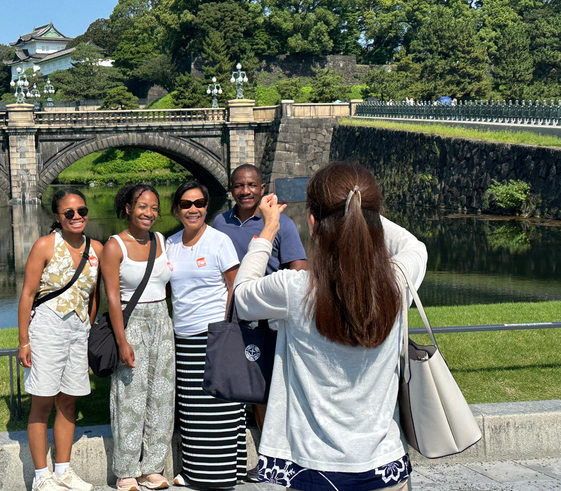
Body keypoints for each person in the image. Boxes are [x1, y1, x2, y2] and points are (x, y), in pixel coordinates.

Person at [233, 161, 427, 491]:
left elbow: (242, 294)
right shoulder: (397, 282)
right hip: (385, 465)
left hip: (314, 467)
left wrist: (267, 229)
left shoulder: (295, 288)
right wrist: (360, 209)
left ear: (312, 221)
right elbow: (414, 247)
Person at [17, 188, 104, 491]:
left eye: (81, 211)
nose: (77, 217)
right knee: (42, 402)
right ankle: (42, 476)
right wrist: (24, 341)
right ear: (57, 216)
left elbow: (94, 296)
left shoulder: (97, 249)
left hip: (78, 331)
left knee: (69, 401)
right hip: (47, 329)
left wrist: (89, 328)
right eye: (69, 213)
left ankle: (63, 470)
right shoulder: (44, 246)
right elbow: (28, 294)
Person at [213, 164, 307, 432]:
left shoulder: (280, 224)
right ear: (231, 189)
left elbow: (299, 270)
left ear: (262, 189)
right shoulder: (220, 223)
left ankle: (272, 448)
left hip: (269, 318)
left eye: (252, 185)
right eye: (239, 186)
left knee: (269, 384)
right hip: (233, 315)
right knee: (239, 381)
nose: (246, 191)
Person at [165, 180, 246, 489]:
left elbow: (234, 287)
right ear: (176, 209)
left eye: (199, 203)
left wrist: (228, 329)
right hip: (183, 336)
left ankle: (222, 475)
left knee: (219, 406)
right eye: (186, 204)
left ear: (206, 207)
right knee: (193, 409)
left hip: (214, 334)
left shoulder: (219, 241)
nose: (193, 209)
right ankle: (195, 472)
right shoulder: (169, 243)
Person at [100, 184, 174, 491]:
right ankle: (126, 470)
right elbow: (113, 298)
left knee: (162, 396)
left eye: (154, 208)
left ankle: (152, 467)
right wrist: (122, 341)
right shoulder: (115, 246)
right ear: (129, 208)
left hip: (162, 321)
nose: (149, 213)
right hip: (132, 324)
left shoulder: (161, 240)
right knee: (129, 398)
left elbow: (166, 285)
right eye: (143, 206)